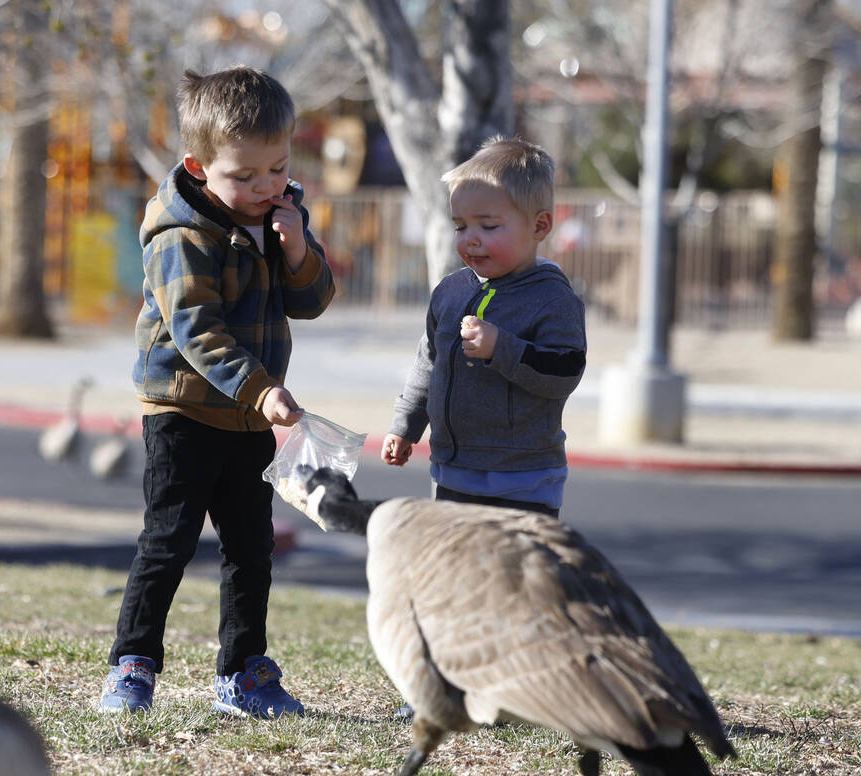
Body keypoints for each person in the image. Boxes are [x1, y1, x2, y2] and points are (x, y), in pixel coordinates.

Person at [99, 66, 335, 718]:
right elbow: (197, 333)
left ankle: (243, 673)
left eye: (277, 169)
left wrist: (297, 251)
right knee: (169, 540)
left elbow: (311, 301)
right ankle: (133, 663)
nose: (265, 188)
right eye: (245, 176)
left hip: (247, 412)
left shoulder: (279, 215)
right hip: (184, 407)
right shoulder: (181, 236)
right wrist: (262, 392)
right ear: (199, 167)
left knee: (251, 549)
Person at [382, 135, 586, 519]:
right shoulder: (451, 291)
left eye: (489, 226)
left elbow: (565, 372)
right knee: (461, 576)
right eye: (460, 226)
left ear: (539, 226)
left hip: (523, 481)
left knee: (513, 579)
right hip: (453, 474)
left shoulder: (553, 298)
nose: (471, 239)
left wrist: (502, 348)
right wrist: (406, 425)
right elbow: (429, 363)